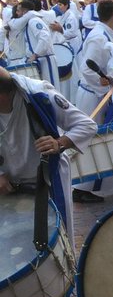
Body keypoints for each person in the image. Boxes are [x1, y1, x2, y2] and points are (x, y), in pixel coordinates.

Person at [0, 66, 97, 248]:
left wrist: (59, 143)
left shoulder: (39, 94)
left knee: (58, 243)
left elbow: (86, 125)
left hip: (47, 180)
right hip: (10, 187)